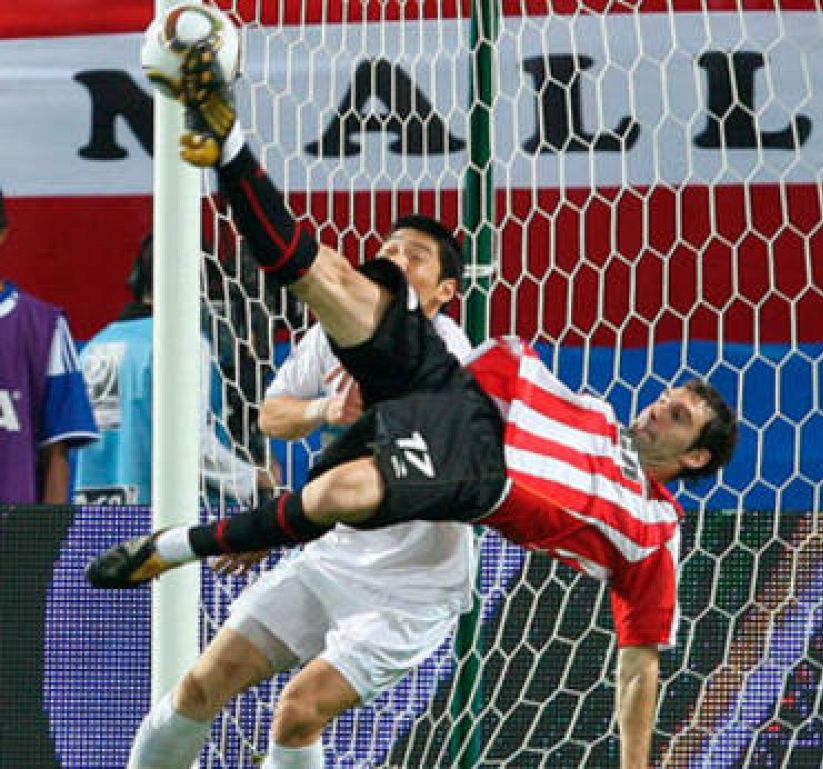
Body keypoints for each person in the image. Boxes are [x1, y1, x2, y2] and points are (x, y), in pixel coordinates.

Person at [88, 37, 739, 769]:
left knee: (299, 701)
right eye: (665, 398)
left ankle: (177, 543)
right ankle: (228, 137)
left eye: (677, 417)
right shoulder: (578, 403)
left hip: (455, 512)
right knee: (320, 275)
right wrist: (287, 508)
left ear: (694, 458)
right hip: (447, 413)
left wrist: (636, 762)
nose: (655, 410)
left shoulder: (653, 531)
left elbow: (641, 659)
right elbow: (307, 416)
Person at [115, 220, 479, 769]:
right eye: (387, 250)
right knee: (198, 688)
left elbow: (381, 472)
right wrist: (322, 410)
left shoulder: (451, 358)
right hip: (334, 556)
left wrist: (275, 525)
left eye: (417, 256)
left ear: (445, 291)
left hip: (413, 585)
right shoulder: (329, 334)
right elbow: (272, 416)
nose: (397, 259)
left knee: (299, 709)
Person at [74, 233, 274, 507]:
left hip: (92, 517)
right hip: (164, 520)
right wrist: (252, 479)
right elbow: (190, 443)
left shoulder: (94, 347)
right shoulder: (181, 343)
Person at [0, 186, 98, 504]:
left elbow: (56, 453)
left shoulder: (44, 326)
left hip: (13, 538)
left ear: (2, 234)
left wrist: (46, 541)